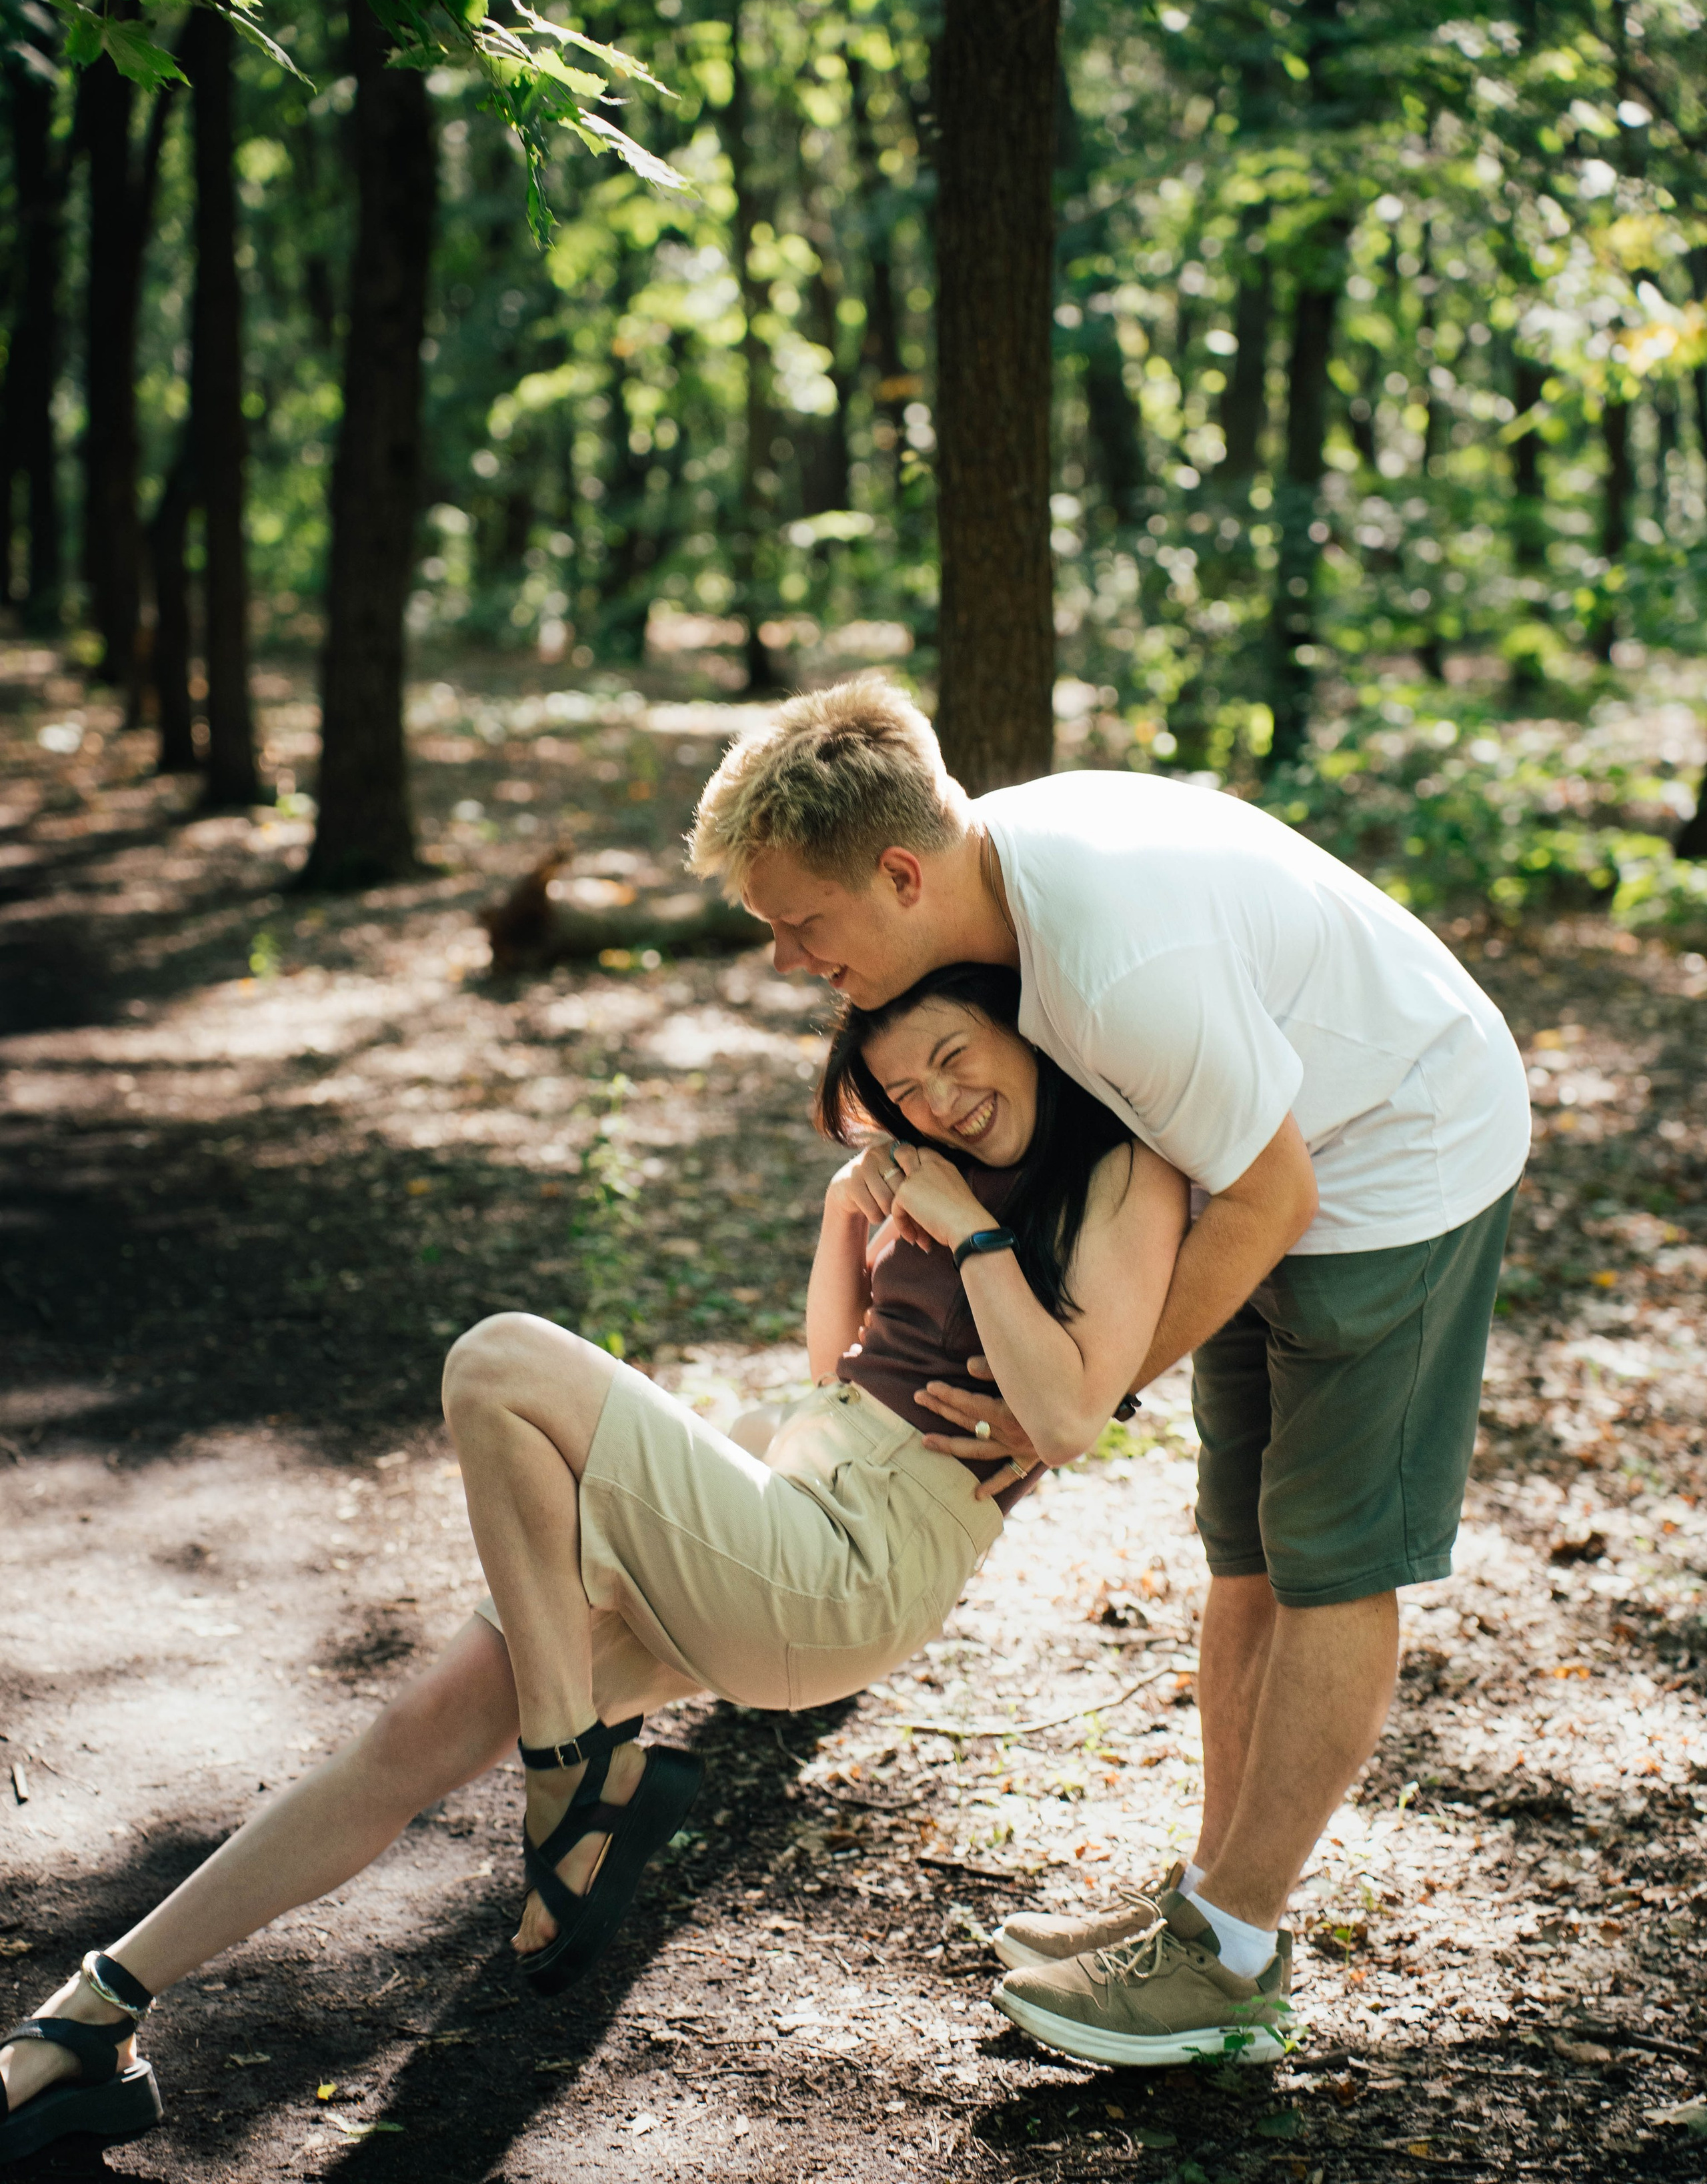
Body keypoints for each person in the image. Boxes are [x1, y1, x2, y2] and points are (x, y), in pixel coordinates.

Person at [0, 966, 1205, 2167]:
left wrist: (973, 1230)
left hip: (861, 1554)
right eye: (906, 1088)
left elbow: (1064, 1418)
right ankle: (93, 2012)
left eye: (955, 1055)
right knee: (412, 1737)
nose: (941, 1100)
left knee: (499, 1360)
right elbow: (836, 1363)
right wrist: (855, 1212)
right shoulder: (930, 1166)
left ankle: (568, 1765)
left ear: (1019, 1029)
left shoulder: (1119, 1171)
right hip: (789, 1490)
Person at [689, 675, 1530, 2067]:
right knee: (1244, 1548)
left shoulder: (1109, 968)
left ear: (898, 874)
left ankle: (1233, 1956)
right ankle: (1204, 1906)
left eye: (801, 923)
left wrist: (1074, 1397)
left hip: (1395, 1154)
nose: (787, 959)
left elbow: (1277, 1197)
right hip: (1257, 1159)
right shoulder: (994, 892)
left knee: (1329, 1559)